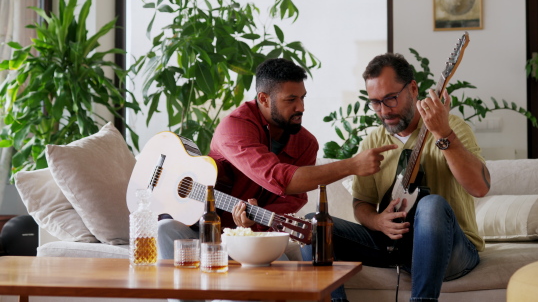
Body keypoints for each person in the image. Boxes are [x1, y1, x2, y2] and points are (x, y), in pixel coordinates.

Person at [157, 58, 397, 261]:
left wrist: (252, 224)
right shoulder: (234, 127)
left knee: (279, 263)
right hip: (196, 226)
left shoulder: (306, 144)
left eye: (303, 98)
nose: (301, 107)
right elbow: (279, 178)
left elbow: (290, 201)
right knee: (165, 229)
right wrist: (352, 165)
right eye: (290, 100)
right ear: (263, 99)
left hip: (242, 238)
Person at [302, 53, 490, 302]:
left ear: (413, 89)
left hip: (452, 249)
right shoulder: (373, 142)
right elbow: (362, 204)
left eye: (391, 98)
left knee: (431, 204)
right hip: (393, 247)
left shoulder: (451, 127)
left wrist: (444, 135)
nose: (383, 110)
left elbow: (480, 188)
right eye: (375, 102)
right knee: (312, 227)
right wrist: (378, 221)